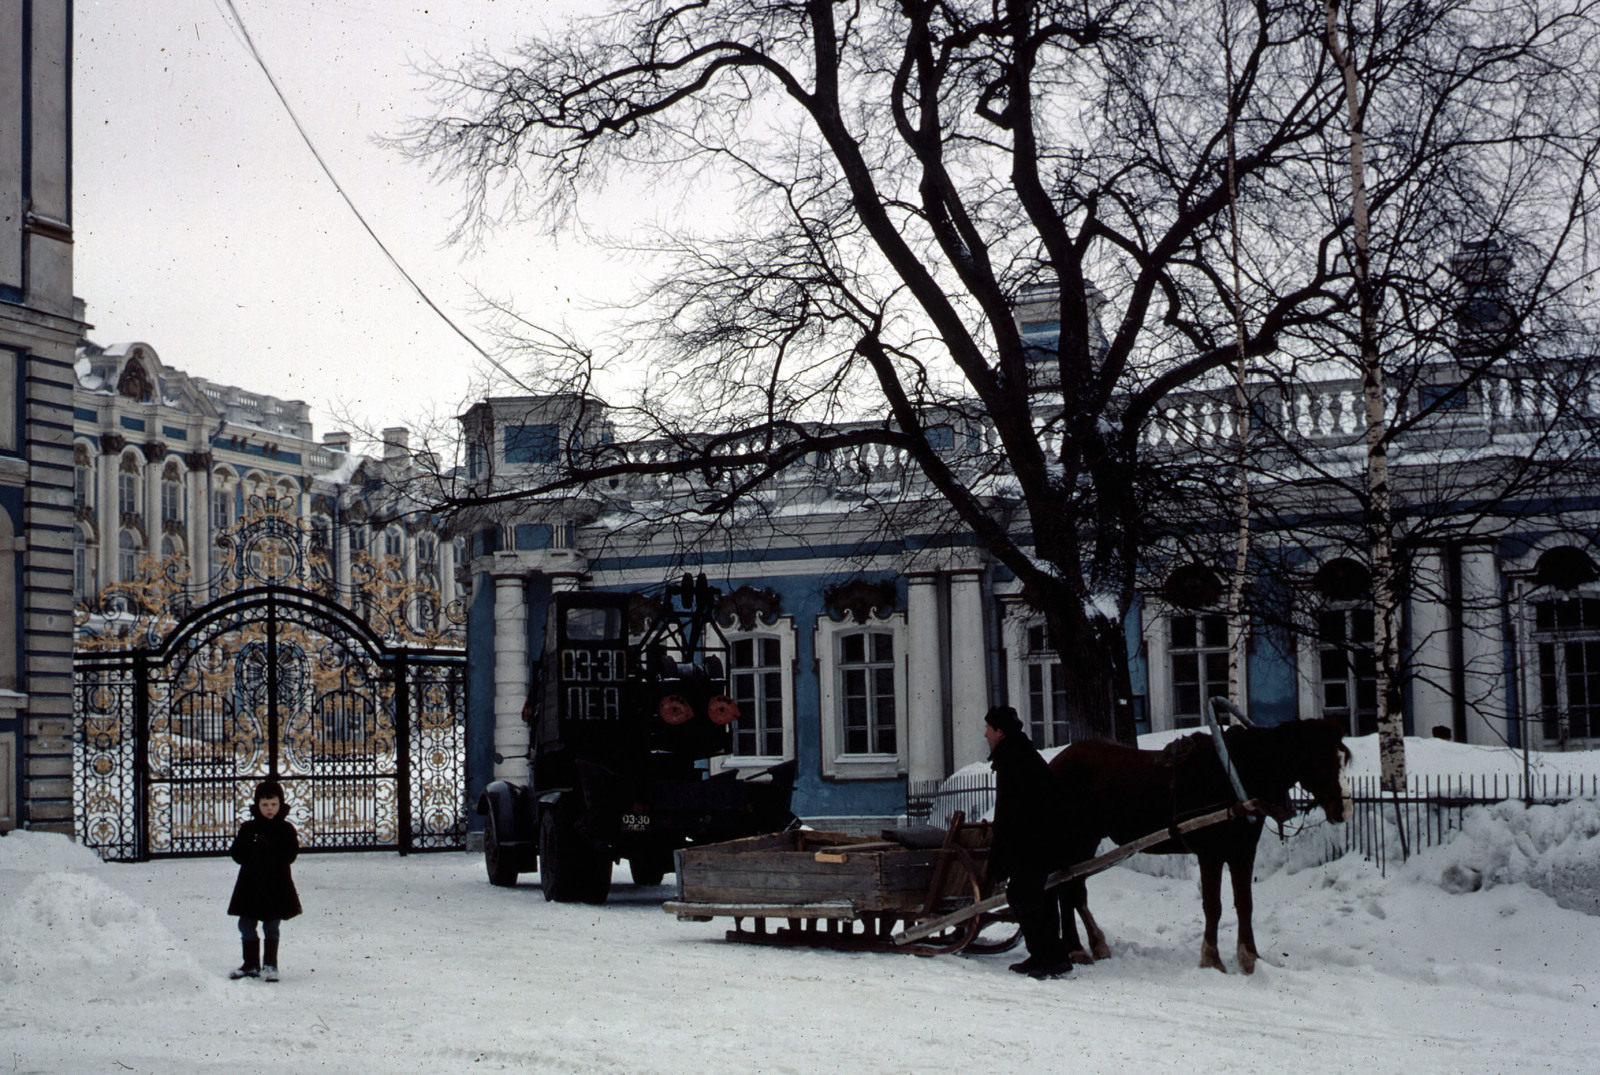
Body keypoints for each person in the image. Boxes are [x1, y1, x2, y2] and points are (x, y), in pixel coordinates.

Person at [984, 705, 1074, 980]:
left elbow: (1009, 812)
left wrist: (1000, 857)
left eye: (988, 728)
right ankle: (1048, 956)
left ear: (1000, 732)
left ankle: (1050, 958)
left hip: (1033, 843)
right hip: (1041, 841)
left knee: (1022, 896)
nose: (985, 733)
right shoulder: (1020, 754)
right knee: (1039, 897)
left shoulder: (1012, 759)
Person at [227, 779, 302, 982]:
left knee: (271, 926)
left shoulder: (286, 829)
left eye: (274, 804)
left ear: (281, 805)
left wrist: (271, 850)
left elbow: (290, 855)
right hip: (250, 886)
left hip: (275, 886)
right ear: (257, 805)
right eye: (265, 805)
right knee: (246, 924)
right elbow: (237, 854)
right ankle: (250, 964)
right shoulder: (248, 828)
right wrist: (251, 848)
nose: (269, 809)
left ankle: (270, 965)